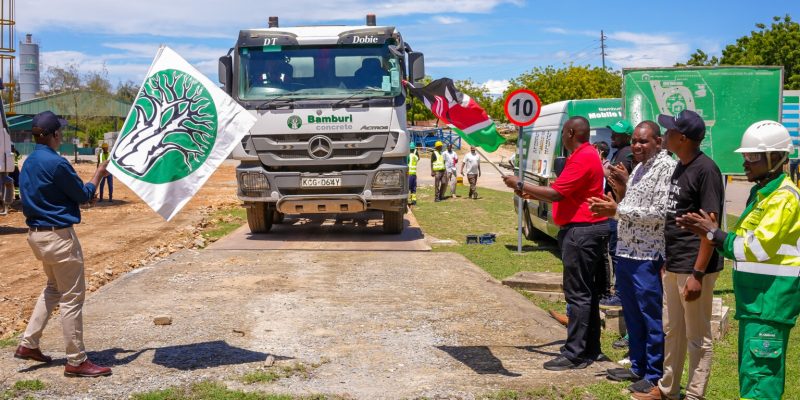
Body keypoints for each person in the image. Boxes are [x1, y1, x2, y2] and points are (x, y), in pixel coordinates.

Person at [676, 121, 799, 399]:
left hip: (770, 303)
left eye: (753, 157)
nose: (746, 163)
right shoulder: (762, 194)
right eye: (745, 156)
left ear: (777, 158)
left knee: (760, 381)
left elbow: (757, 248)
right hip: (755, 301)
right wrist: (713, 235)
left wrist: (715, 235)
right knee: (752, 375)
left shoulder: (784, 198)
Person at [503, 116, 609, 370]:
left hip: (582, 231)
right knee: (587, 293)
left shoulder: (583, 156)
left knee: (578, 294)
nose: (562, 136)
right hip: (584, 229)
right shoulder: (584, 155)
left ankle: (576, 353)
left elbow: (556, 193)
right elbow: (566, 193)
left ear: (571, 132)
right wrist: (529, 192)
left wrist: (519, 183)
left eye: (563, 132)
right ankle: (589, 347)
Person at [632, 109, 724, 400]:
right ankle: (668, 389)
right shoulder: (682, 166)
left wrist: (697, 273)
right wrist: (669, 263)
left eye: (670, 131)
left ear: (682, 138)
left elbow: (711, 226)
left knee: (698, 337)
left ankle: (695, 395)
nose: (666, 135)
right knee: (673, 330)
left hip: (696, 266)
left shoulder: (706, 170)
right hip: (675, 263)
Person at [14, 111, 112, 378]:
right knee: (71, 297)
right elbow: (82, 195)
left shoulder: (28, 161)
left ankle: (28, 344)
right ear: (56, 134)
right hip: (59, 237)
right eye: (61, 132)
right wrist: (99, 174)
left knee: (53, 289)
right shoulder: (57, 163)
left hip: (37, 235)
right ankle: (77, 360)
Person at [588, 121, 677, 395]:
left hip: (648, 255)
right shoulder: (639, 167)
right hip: (627, 251)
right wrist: (620, 192)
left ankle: (654, 373)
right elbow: (630, 204)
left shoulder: (666, 169)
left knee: (651, 316)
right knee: (633, 314)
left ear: (659, 142)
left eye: (643, 141)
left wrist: (616, 210)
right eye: (636, 141)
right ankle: (638, 365)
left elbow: (660, 213)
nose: (637, 146)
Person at [599, 120, 634, 309]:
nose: (612, 136)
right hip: (614, 209)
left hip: (619, 210)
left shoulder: (625, 155)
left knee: (617, 252)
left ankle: (620, 294)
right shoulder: (618, 152)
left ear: (627, 137)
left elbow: (618, 179)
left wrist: (603, 169)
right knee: (614, 252)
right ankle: (618, 291)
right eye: (612, 132)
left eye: (617, 134)